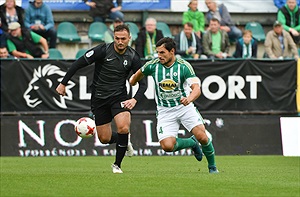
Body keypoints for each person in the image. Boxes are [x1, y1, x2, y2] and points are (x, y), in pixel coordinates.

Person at [56, 24, 147, 174]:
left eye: (123, 39)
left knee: (123, 127)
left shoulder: (133, 57)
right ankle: (123, 140)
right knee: (104, 138)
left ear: (129, 38)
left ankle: (117, 165)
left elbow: (142, 85)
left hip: (120, 97)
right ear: (114, 38)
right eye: (117, 38)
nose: (120, 41)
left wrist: (135, 99)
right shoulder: (102, 50)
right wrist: (63, 83)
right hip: (99, 98)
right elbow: (78, 63)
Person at [129, 37, 219, 174]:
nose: (159, 56)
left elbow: (197, 88)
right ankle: (191, 143)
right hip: (165, 111)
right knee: (167, 146)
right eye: (157, 52)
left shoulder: (183, 66)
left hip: (184, 108)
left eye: (162, 53)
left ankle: (212, 167)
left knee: (203, 136)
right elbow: (137, 76)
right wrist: (133, 81)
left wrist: (189, 99)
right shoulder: (153, 65)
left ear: (172, 51)